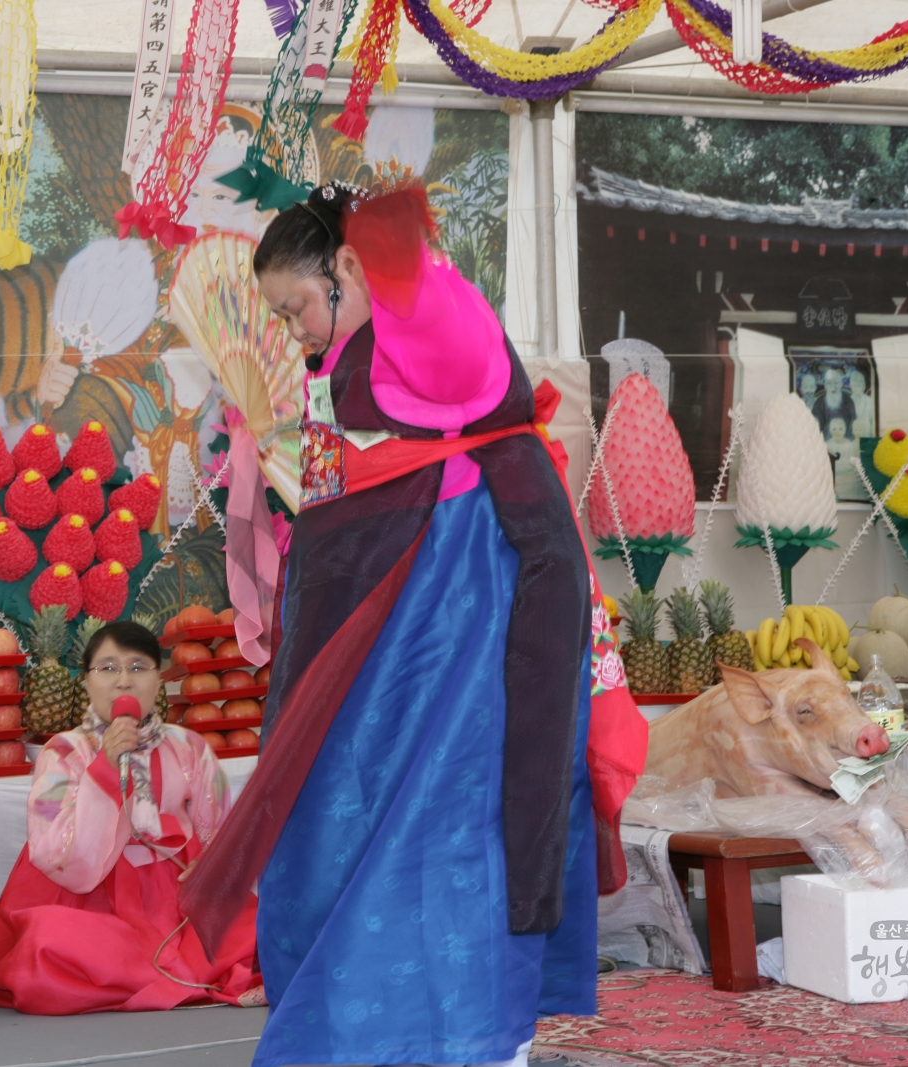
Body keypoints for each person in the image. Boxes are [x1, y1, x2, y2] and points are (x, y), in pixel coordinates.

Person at [179, 181, 639, 1067]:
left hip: (459, 624)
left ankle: (471, 1036)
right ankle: (377, 1029)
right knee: (338, 827)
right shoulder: (343, 363)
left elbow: (435, 305)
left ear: (346, 272)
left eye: (300, 305)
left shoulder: (419, 338)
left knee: (447, 823)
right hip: (387, 631)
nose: (294, 328)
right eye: (280, 314)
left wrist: (382, 238)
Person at [0, 621, 261, 1013]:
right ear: (85, 683)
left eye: (138, 667)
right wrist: (104, 766)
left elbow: (224, 834)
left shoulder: (188, 747)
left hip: (176, 902)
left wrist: (210, 866)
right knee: (44, 944)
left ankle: (154, 974)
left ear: (159, 681)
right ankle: (170, 976)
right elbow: (56, 852)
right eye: (107, 668)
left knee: (265, 927)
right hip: (87, 901)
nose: (123, 681)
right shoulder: (63, 752)